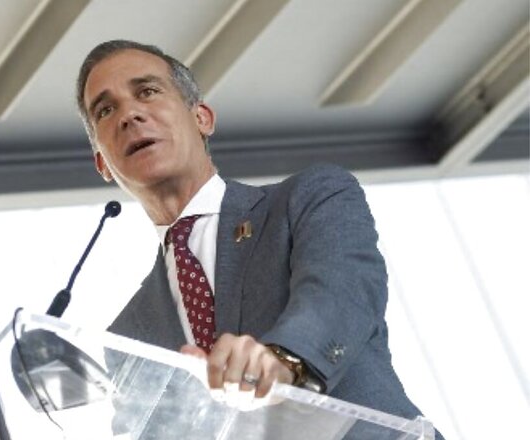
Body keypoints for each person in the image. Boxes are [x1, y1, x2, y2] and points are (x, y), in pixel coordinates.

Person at [76, 39, 440, 437]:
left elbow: (341, 292)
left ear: (202, 118)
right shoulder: (127, 338)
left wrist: (282, 359)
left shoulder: (309, 197)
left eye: (147, 91)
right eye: (105, 110)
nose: (129, 115)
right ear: (102, 164)